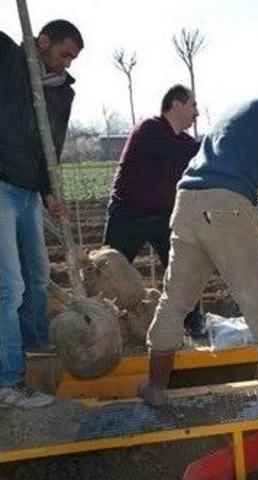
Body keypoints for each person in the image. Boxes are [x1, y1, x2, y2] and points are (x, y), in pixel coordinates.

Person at [138, 97, 258, 406]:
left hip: (187, 202)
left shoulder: (239, 119)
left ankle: (155, 385)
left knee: (175, 300)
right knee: (255, 295)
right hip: (225, 206)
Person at [0, 20, 83, 409]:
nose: (66, 64)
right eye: (63, 54)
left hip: (29, 193)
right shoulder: (8, 59)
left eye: (73, 59)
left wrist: (50, 193)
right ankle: (8, 380)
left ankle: (34, 342)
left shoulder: (61, 93)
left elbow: (53, 146)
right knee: (8, 286)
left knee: (38, 276)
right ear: (42, 42)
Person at [103, 84, 206, 338]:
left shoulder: (185, 142)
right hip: (128, 215)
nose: (197, 113)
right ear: (177, 104)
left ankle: (192, 320)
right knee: (108, 271)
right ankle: (99, 324)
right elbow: (180, 152)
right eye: (193, 105)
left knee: (183, 269)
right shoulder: (150, 128)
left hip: (164, 218)